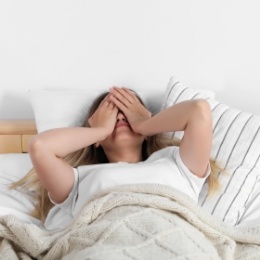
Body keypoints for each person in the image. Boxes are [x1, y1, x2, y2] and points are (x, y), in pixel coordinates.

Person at [12, 86, 219, 231]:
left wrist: (143, 123)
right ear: (96, 139)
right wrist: (100, 130)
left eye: (127, 111)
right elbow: (40, 147)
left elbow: (198, 111)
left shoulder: (177, 163)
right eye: (111, 114)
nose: (120, 117)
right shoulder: (77, 181)